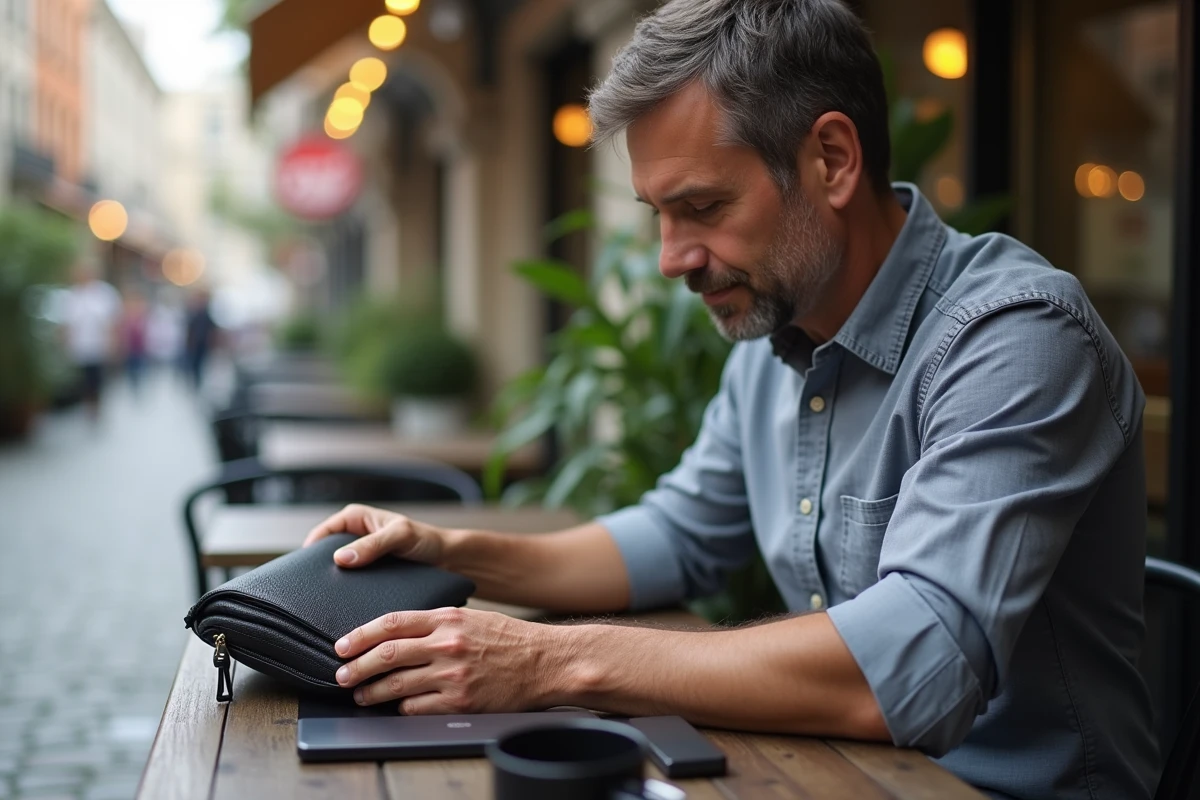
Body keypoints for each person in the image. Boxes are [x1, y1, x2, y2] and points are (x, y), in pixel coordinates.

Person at [304, 2, 1159, 797]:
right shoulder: (775, 329)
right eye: (657, 215)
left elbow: (916, 660)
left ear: (831, 159)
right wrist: (454, 551)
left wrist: (546, 661)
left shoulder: (1014, 336)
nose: (674, 258)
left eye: (702, 206)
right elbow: (677, 533)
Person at [61, 264, 121, 420]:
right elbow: (68, 322)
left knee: (97, 378)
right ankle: (88, 406)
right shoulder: (73, 294)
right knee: (84, 378)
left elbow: (112, 321)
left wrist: (113, 342)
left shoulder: (104, 293)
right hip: (80, 345)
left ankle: (97, 406)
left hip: (99, 345)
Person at [182, 288, 216, 390]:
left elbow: (212, 330)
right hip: (195, 345)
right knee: (193, 366)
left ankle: (199, 383)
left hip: (203, 345)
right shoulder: (193, 314)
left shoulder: (207, 315)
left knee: (202, 366)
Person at [118, 289, 149, 396]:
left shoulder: (143, 316)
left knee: (140, 368)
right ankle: (134, 386)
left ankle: (139, 385)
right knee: (131, 369)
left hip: (140, 347)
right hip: (130, 347)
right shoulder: (126, 316)